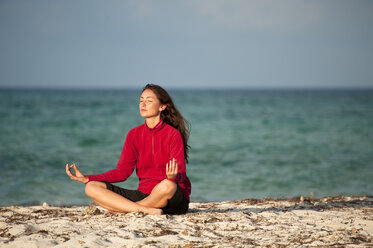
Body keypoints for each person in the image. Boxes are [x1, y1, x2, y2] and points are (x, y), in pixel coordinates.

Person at [66, 84, 191, 215]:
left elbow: (181, 174)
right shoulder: (134, 134)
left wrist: (173, 176)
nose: (143, 104)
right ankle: (143, 209)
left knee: (167, 185)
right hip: (144, 194)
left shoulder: (172, 134)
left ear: (162, 107)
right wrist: (88, 178)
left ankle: (127, 208)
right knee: (91, 187)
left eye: (149, 101)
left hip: (173, 198)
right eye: (141, 100)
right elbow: (122, 172)